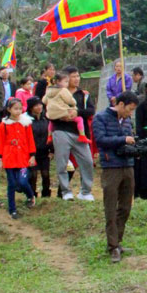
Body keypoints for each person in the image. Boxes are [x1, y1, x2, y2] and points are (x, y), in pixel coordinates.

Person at [94, 91, 139, 263]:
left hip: (128, 165)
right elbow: (101, 140)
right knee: (111, 207)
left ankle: (118, 241)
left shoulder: (127, 121)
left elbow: (129, 139)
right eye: (129, 109)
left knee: (126, 207)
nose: (130, 113)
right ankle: (112, 246)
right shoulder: (101, 118)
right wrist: (123, 139)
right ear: (120, 104)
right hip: (111, 166)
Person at [50, 67, 94, 202]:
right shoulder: (56, 93)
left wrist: (78, 112)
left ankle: (85, 191)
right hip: (61, 130)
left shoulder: (84, 94)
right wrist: (61, 116)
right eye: (73, 76)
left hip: (80, 133)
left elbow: (91, 110)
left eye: (78, 76)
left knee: (87, 162)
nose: (76, 79)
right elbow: (50, 112)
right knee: (62, 163)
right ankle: (65, 191)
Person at [0, 98, 36, 219]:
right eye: (15, 108)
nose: (18, 111)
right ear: (9, 109)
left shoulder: (26, 123)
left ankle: (30, 195)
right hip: (9, 158)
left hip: (23, 157)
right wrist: (0, 158)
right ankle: (12, 209)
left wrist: (32, 155)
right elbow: (1, 141)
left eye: (20, 108)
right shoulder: (4, 124)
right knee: (12, 184)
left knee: (23, 181)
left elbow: (30, 139)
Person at [44, 72, 89, 143]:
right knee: (79, 119)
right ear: (58, 81)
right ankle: (82, 135)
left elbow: (44, 101)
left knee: (51, 122)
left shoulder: (48, 90)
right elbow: (70, 100)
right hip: (63, 113)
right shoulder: (63, 90)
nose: (67, 84)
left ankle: (49, 136)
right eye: (66, 82)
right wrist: (74, 104)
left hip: (51, 115)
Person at [26, 97, 52, 199]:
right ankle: (32, 195)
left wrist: (52, 150)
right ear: (31, 108)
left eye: (40, 104)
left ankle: (46, 194)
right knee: (33, 175)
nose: (39, 107)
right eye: (36, 105)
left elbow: (50, 134)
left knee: (45, 174)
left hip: (45, 151)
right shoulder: (27, 120)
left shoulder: (46, 119)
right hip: (32, 152)